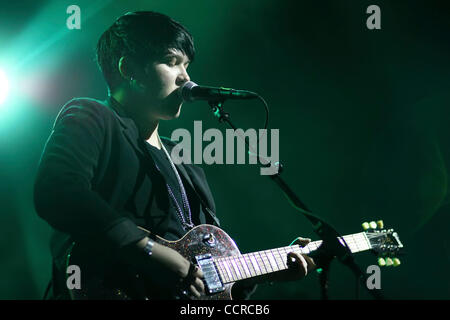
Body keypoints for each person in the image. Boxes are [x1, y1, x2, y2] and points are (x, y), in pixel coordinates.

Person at [33, 11, 315, 300]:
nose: (186, 77)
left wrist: (268, 272)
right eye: (171, 62)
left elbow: (207, 273)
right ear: (128, 68)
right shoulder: (92, 117)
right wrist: (151, 252)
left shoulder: (182, 159)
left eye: (187, 65)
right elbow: (56, 191)